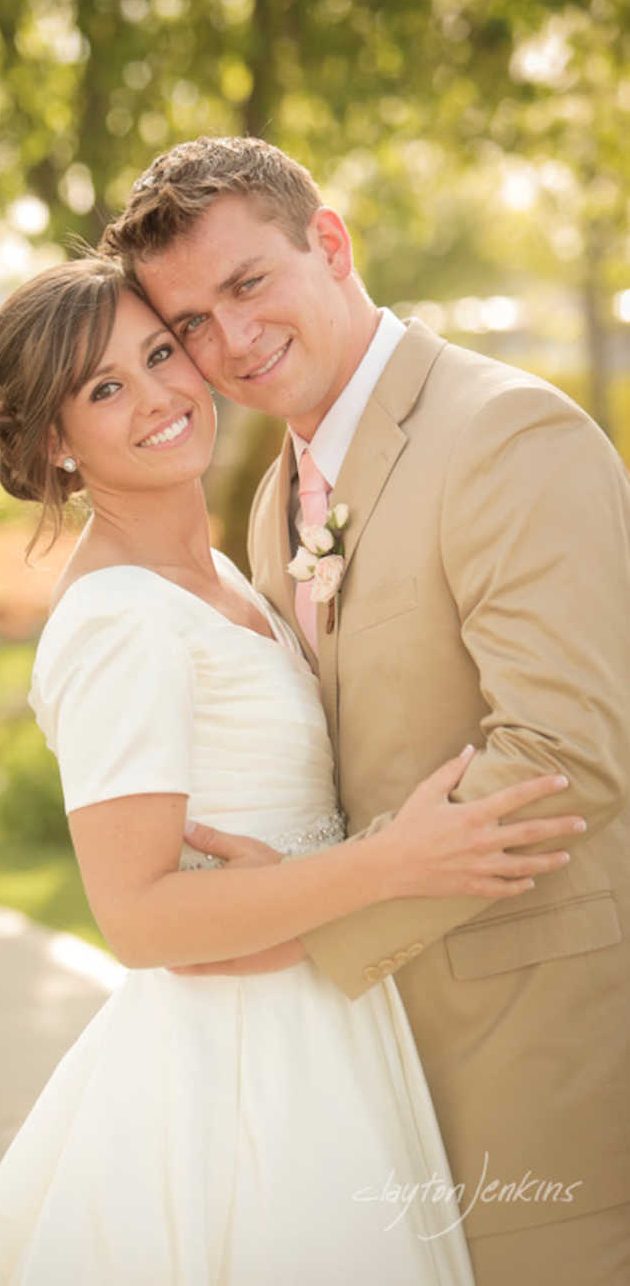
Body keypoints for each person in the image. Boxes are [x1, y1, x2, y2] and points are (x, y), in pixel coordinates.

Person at [0, 257, 582, 1285]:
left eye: (160, 353)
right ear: (57, 444)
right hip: (242, 1070)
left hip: (326, 1016)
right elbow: (139, 917)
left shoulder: (221, 572)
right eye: (106, 388)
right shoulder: (118, 620)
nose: (157, 395)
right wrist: (392, 865)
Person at [100, 135, 630, 1285]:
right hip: (363, 1082)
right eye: (188, 323)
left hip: (533, 1065)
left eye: (247, 284)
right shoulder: (274, 498)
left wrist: (299, 930)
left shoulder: (507, 434)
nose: (228, 341)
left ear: (329, 244)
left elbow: (565, 760)